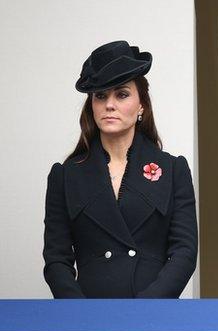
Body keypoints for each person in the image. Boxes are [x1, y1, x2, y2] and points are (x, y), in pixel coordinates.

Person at [43, 41, 198, 298]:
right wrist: (80, 314)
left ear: (141, 106)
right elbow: (56, 259)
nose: (109, 105)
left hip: (152, 315)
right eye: (100, 96)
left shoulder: (173, 169)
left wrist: (145, 309)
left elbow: (184, 252)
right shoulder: (65, 174)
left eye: (122, 94)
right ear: (91, 105)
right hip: (89, 316)